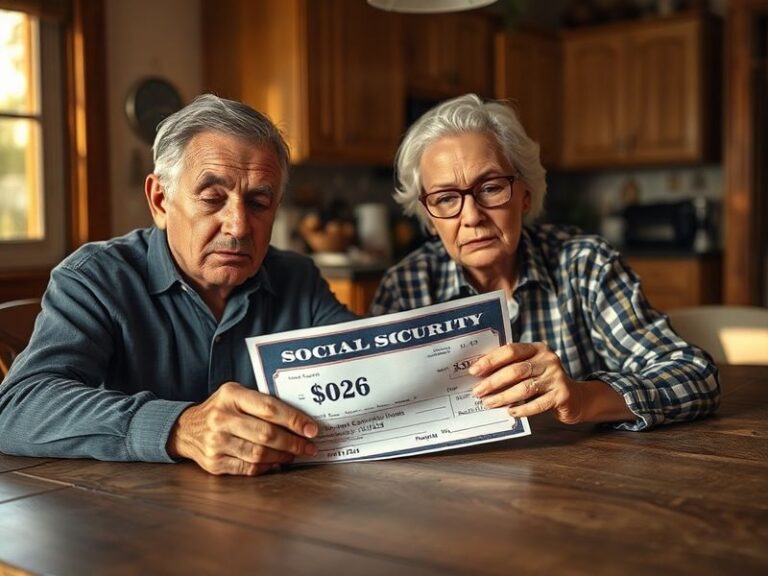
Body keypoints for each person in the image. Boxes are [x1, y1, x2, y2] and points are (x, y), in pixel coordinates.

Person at [0, 94, 357, 475]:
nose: (238, 226)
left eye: (258, 203)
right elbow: (18, 407)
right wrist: (181, 428)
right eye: (212, 198)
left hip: (281, 512)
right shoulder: (94, 279)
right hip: (127, 516)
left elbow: (362, 364)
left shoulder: (297, 278)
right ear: (160, 201)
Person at [371, 94, 719, 430]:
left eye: (491, 188)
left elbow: (694, 375)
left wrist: (582, 398)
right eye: (446, 198)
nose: (472, 216)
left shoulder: (585, 265)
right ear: (430, 219)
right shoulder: (406, 287)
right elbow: (375, 407)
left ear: (525, 196)